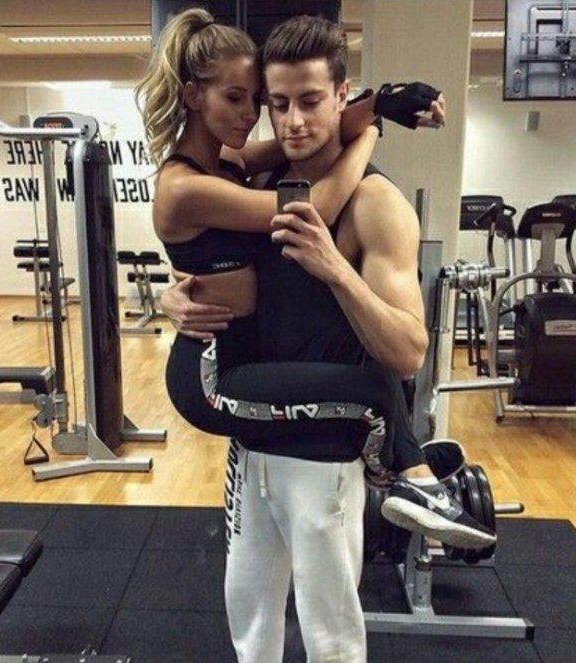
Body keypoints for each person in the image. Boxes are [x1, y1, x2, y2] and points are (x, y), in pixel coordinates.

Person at [140, 10, 494, 662]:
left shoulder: (373, 204)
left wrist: (337, 268)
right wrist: (174, 292)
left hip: (320, 454)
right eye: (274, 104)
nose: (286, 121)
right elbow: (230, 242)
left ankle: (412, 471)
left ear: (340, 97)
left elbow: (408, 352)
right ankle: (410, 468)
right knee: (250, 622)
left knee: (331, 636)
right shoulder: (250, 175)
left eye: (307, 101)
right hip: (251, 426)